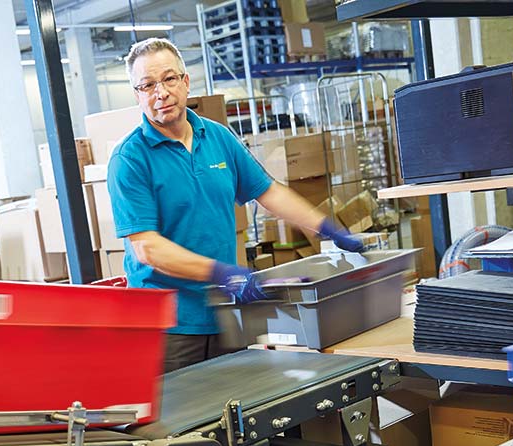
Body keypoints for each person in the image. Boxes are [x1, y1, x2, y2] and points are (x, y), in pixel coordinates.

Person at [107, 37, 364, 373]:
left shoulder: (217, 137)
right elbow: (147, 249)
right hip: (170, 325)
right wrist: (222, 273)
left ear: (185, 82)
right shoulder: (129, 159)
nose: (161, 93)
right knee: (182, 422)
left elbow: (269, 192)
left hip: (227, 311)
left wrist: (327, 227)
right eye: (147, 85)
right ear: (138, 95)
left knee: (236, 414)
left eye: (169, 79)